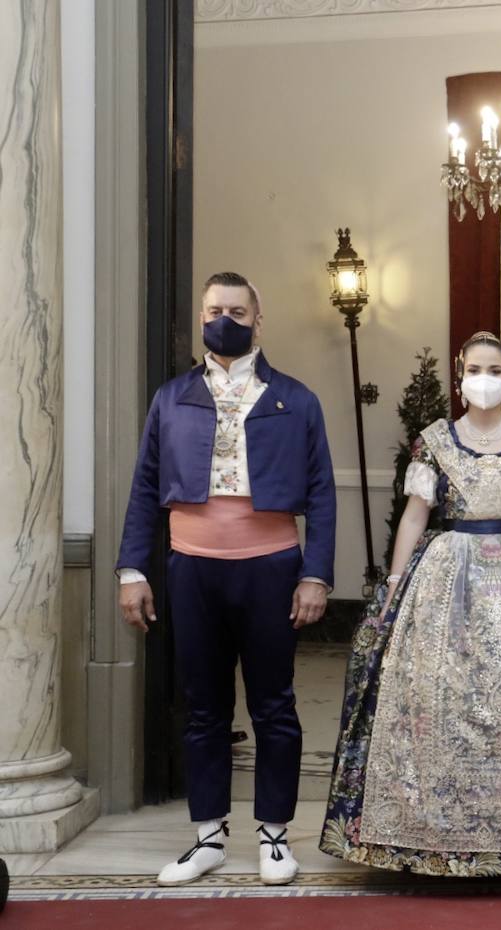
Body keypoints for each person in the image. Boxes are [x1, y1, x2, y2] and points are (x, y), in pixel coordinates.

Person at [321, 332, 501, 877]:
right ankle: (440, 835)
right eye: (475, 368)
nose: (485, 378)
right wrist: (395, 582)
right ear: (460, 375)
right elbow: (414, 514)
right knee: (445, 696)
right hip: (447, 579)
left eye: (494, 368)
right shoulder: (434, 440)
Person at [116, 272, 336, 886]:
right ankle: (208, 835)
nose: (226, 320)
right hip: (192, 570)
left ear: (258, 321)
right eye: (215, 309)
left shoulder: (296, 398)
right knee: (203, 706)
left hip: (271, 570)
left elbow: (321, 494)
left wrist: (315, 575)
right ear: (202, 316)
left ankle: (274, 837)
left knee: (274, 705)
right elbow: (143, 491)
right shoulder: (172, 397)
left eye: (238, 311)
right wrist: (134, 569)